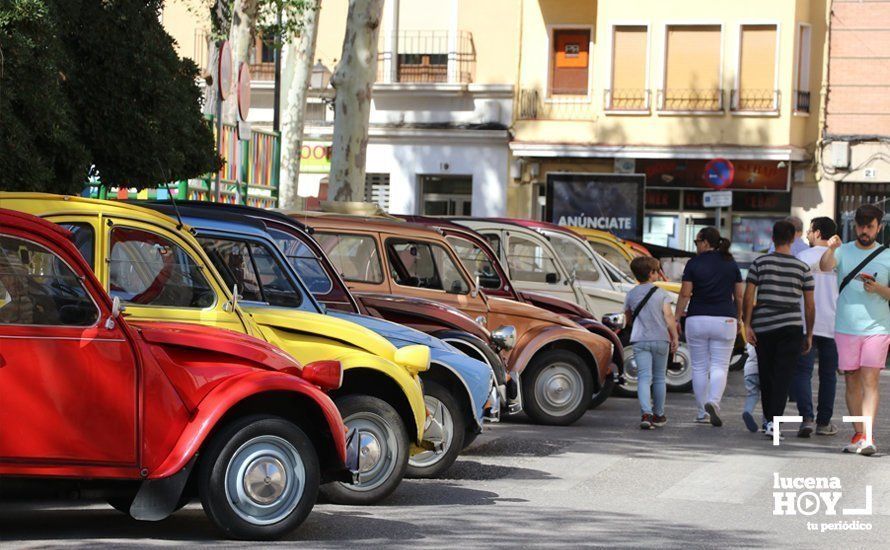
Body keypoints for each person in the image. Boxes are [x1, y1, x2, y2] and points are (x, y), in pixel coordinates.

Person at [820, 204, 890, 456]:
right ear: (855, 226)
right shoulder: (843, 251)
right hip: (846, 327)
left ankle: (869, 436)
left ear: (878, 228)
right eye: (861, 225)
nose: (864, 230)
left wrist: (880, 289)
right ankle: (859, 433)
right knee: (851, 380)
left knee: (870, 381)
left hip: (877, 327)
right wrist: (831, 248)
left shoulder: (887, 256)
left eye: (870, 226)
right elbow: (825, 267)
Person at [743, 221, 815, 439]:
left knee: (767, 373)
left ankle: (769, 421)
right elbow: (810, 305)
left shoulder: (760, 263)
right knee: (784, 376)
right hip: (792, 326)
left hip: (764, 326)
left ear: (772, 238)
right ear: (793, 239)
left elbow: (748, 296)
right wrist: (809, 333)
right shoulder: (802, 267)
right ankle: (774, 422)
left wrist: (746, 324)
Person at [675, 227, 743, 427]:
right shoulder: (730, 263)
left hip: (697, 319)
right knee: (720, 366)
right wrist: (738, 318)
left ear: (704, 242)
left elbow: (686, 293)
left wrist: (677, 317)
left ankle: (702, 412)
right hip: (725, 319)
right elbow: (739, 295)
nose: (696, 246)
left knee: (699, 367)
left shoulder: (694, 263)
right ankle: (713, 402)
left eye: (696, 242)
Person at [791, 217, 840, 438]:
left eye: (810, 231)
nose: (808, 235)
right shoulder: (839, 258)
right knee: (828, 375)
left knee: (802, 373)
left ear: (818, 233)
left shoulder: (802, 257)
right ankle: (823, 423)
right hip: (833, 324)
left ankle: (806, 419)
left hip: (805, 323)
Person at [624, 257, 679, 429]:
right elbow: (668, 317)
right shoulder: (661, 294)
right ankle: (659, 415)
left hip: (640, 339)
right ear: (651, 274)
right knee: (660, 378)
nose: (658, 274)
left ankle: (646, 414)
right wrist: (675, 336)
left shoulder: (631, 294)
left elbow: (628, 318)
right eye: (656, 271)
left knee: (643, 378)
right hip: (661, 339)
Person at [741, 342, 764, 433]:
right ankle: (767, 421)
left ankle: (747, 411)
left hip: (749, 370)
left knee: (752, 395)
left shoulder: (750, 340)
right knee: (768, 397)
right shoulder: (768, 338)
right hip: (764, 370)